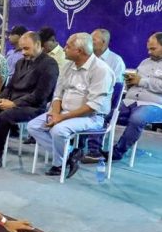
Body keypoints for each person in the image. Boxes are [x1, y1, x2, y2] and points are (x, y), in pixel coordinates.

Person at [27, 32, 114, 179]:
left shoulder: (101, 70)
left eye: (68, 46)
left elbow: (93, 106)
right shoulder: (68, 66)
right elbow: (57, 95)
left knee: (58, 130)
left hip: (91, 117)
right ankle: (72, 153)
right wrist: (55, 114)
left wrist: (61, 117)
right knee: (33, 126)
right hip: (63, 112)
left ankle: (59, 164)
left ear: (79, 51)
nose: (64, 48)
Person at [0, 31, 59, 168]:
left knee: (5, 116)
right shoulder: (21, 62)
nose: (23, 52)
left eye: (26, 48)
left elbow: (40, 95)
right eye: (22, 48)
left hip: (33, 107)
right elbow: (10, 87)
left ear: (38, 45)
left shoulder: (49, 64)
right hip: (11, 102)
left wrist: (14, 103)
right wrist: (0, 99)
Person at [86, 32, 162, 162]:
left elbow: (143, 81)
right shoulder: (144, 62)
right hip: (130, 101)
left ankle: (117, 152)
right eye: (148, 48)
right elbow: (135, 81)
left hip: (153, 104)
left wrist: (141, 81)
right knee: (103, 114)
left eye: (153, 49)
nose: (149, 52)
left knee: (137, 119)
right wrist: (130, 81)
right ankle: (94, 151)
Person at [81, 29, 127, 163]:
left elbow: (117, 90)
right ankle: (75, 147)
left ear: (103, 42)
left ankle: (94, 151)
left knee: (98, 111)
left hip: (107, 100)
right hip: (87, 96)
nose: (89, 43)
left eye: (93, 40)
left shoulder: (116, 61)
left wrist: (108, 107)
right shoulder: (87, 58)